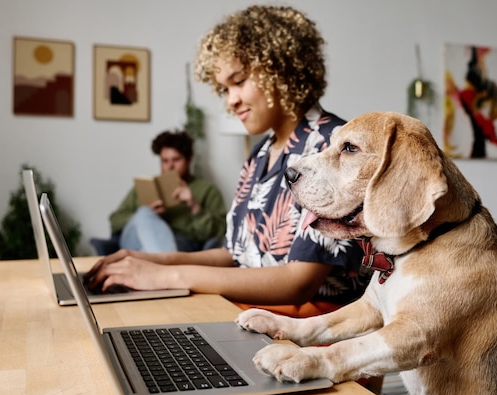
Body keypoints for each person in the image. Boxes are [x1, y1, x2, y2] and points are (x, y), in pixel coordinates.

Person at [86, 5, 371, 318]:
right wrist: (149, 261)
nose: (230, 100)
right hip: (247, 313)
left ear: (282, 67)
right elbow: (236, 255)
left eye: (239, 81)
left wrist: (167, 277)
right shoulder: (260, 153)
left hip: (304, 330)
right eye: (224, 88)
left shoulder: (333, 146)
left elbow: (296, 282)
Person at [108, 130, 227, 253]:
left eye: (176, 160)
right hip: (135, 241)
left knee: (146, 252)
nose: (170, 166)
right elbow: (115, 221)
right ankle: (163, 263)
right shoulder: (145, 186)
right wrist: (149, 216)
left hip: (180, 244)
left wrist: (194, 206)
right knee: (144, 212)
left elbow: (220, 232)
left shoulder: (207, 189)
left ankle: (154, 262)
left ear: (189, 160)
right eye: (165, 161)